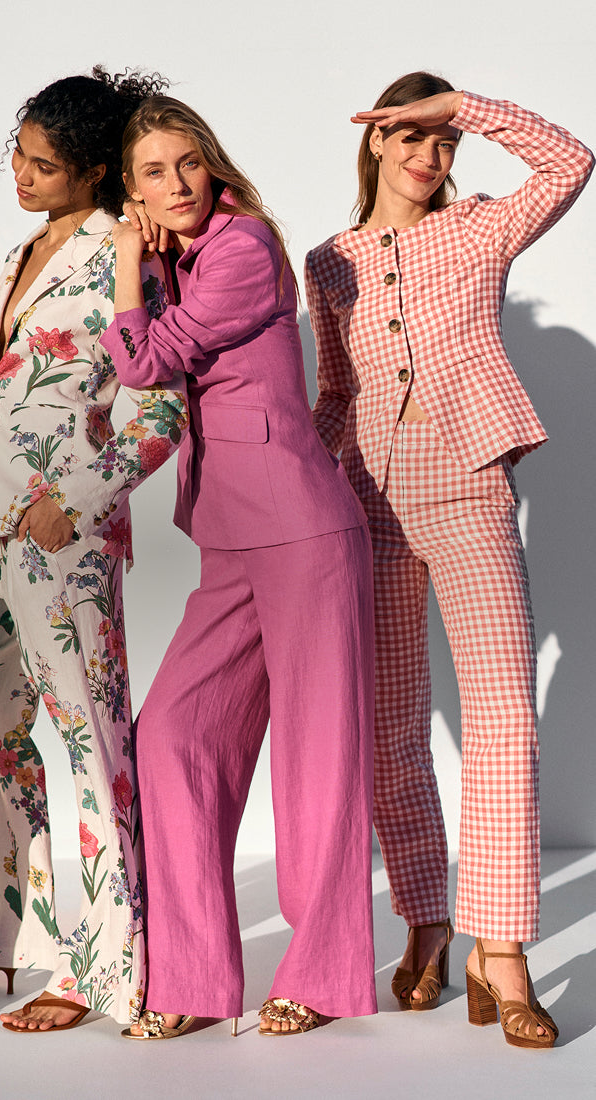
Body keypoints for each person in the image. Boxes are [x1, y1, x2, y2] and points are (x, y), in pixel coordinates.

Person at [305, 72, 593, 1048]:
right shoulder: (327, 260)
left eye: (440, 141)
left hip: (465, 481)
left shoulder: (476, 228)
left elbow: (571, 162)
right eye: (410, 137)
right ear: (375, 140)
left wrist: (463, 106)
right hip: (365, 496)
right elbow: (332, 393)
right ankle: (425, 915)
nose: (428, 157)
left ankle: (499, 946)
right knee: (389, 722)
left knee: (503, 713)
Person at [103, 95, 377, 1039]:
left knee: (319, 757)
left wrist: (122, 275)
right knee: (172, 736)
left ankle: (325, 974)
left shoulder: (245, 245)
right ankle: (192, 979)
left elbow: (149, 361)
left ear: (212, 162)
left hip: (303, 529)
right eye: (151, 173)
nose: (176, 185)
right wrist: (142, 262)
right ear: (130, 187)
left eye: (187, 164)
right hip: (229, 535)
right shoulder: (175, 256)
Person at [0, 68, 188, 1032]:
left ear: (91, 169)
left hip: (62, 540)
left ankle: (105, 968)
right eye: (18, 157)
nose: (23, 176)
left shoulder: (127, 258)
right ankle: (4, 939)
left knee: (92, 744)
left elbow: (160, 408)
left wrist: (73, 503)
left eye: (44, 164)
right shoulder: (19, 252)